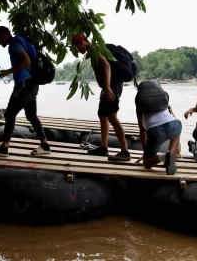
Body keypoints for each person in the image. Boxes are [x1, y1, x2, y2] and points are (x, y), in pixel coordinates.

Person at [0, 26, 50, 156]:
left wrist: (8, 71)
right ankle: (44, 146)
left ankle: (4, 149)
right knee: (31, 115)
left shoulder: (14, 44)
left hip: (25, 85)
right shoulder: (20, 40)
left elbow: (26, 61)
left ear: (3, 35)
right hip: (31, 84)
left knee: (10, 114)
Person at [71, 34, 131, 162]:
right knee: (103, 115)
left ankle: (125, 152)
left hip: (112, 87)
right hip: (108, 86)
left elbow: (107, 66)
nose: (77, 51)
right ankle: (103, 147)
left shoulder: (95, 49)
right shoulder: (92, 52)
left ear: (82, 43)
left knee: (112, 118)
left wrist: (108, 87)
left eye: (77, 48)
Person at [135, 80, 182, 175]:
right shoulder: (164, 101)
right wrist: (176, 147)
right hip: (174, 126)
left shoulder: (140, 106)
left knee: (147, 164)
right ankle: (171, 152)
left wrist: (145, 154)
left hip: (155, 132)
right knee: (177, 126)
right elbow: (174, 119)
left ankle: (165, 157)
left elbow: (142, 131)